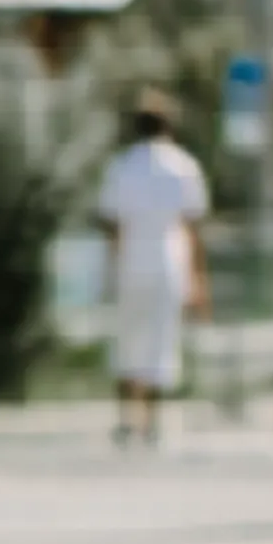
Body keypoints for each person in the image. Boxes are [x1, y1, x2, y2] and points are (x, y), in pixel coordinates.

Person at [99, 88, 212, 447]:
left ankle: (125, 418)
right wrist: (198, 279)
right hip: (167, 258)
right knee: (161, 341)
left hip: (133, 259)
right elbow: (192, 227)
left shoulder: (122, 166)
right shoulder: (183, 167)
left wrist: (111, 269)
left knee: (128, 339)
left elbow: (114, 225)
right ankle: (152, 421)